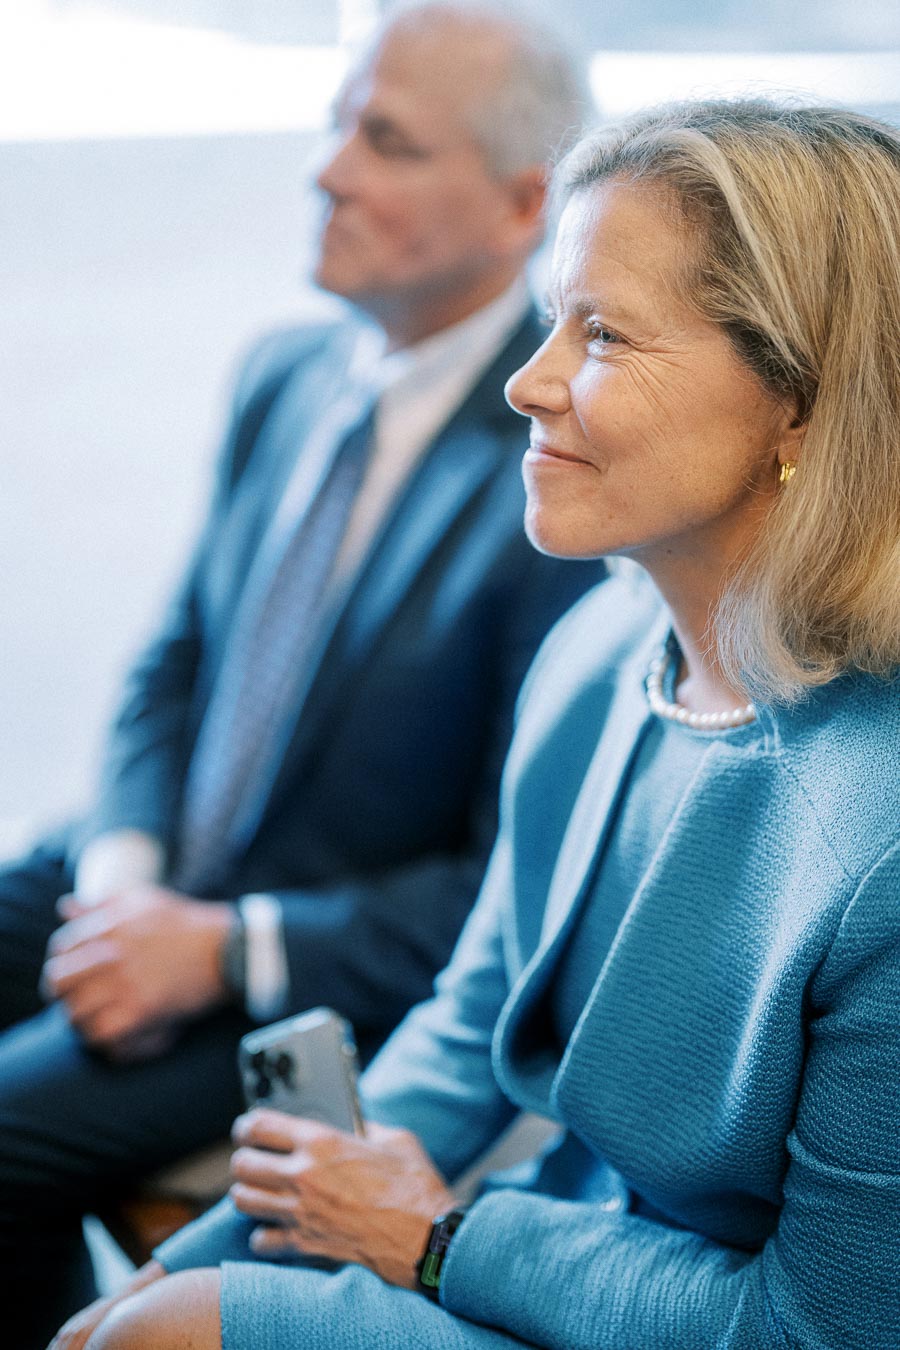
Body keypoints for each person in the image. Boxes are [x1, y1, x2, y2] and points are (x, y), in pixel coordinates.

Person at [56, 96, 900, 1350]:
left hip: (655, 1308)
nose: (525, 380)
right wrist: (187, 1263)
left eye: (602, 334)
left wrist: (441, 1240)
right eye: (552, 317)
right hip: (549, 1260)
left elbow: (819, 1330)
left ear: (800, 400)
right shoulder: (599, 649)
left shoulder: (875, 838)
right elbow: (467, 1021)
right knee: (139, 1317)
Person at [0, 6, 605, 1345]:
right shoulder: (283, 374)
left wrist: (217, 946)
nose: (327, 170)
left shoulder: (559, 473)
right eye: (338, 121)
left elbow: (502, 892)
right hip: (151, 881)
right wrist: (127, 878)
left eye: (383, 141)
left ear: (523, 205)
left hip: (319, 977)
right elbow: (170, 668)